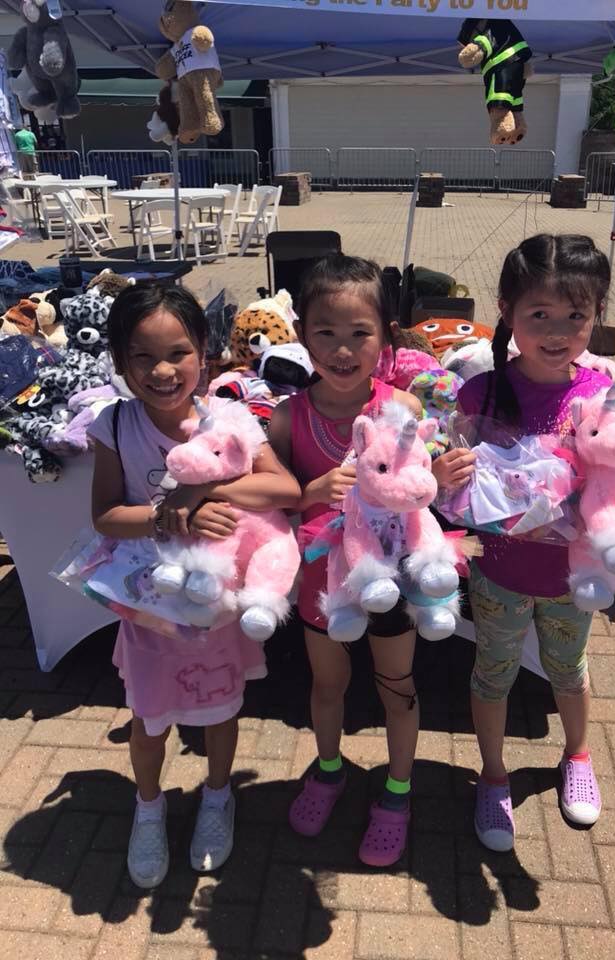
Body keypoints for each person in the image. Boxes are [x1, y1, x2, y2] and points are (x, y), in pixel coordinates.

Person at [432, 235, 615, 852]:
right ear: (507, 312)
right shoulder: (479, 394)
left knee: (569, 669)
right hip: (499, 572)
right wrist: (443, 476)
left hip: (573, 576)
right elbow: (452, 494)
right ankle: (493, 775)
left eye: (575, 315)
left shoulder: (603, 395)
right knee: (492, 673)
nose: (558, 332)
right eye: (539, 315)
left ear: (596, 314)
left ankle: (577, 755)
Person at [89, 284, 300, 888]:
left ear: (203, 351)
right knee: (149, 717)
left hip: (217, 605)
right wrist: (165, 514)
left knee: (219, 707)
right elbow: (105, 515)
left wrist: (203, 489)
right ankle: (148, 807)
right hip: (152, 604)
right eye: (141, 357)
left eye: (178, 353)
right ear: (120, 360)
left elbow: (284, 489)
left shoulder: (228, 419)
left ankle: (217, 796)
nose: (162, 371)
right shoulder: (115, 424)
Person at [269, 254, 423, 867]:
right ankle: (329, 769)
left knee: (397, 687)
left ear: (385, 337)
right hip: (322, 582)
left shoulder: (403, 410)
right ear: (301, 334)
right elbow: (273, 501)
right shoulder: (289, 417)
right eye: (325, 332)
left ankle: (398, 790)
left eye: (360, 333)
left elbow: (422, 493)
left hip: (392, 578)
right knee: (327, 684)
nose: (341, 349)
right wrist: (309, 491)